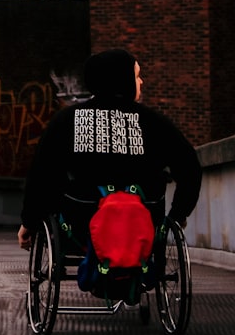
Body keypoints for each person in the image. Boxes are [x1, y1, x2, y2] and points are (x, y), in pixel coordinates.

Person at [17, 48, 202, 251]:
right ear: (123, 80)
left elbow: (41, 174)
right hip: (142, 225)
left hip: (81, 227)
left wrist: (30, 222)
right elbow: (190, 167)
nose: (141, 82)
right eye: (137, 76)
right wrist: (178, 214)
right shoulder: (154, 122)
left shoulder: (66, 120)